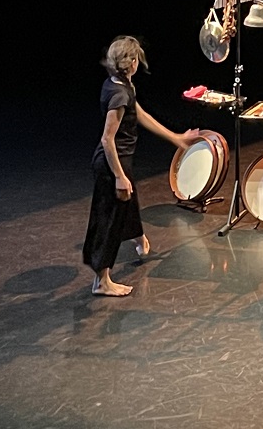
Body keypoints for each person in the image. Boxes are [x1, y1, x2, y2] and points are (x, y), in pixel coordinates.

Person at [82, 34, 197, 297]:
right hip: (112, 163)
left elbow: (140, 114)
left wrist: (176, 138)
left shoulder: (120, 85)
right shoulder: (119, 94)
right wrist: (119, 176)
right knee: (109, 220)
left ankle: (139, 240)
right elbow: (107, 139)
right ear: (132, 62)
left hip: (118, 160)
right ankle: (101, 281)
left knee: (128, 203)